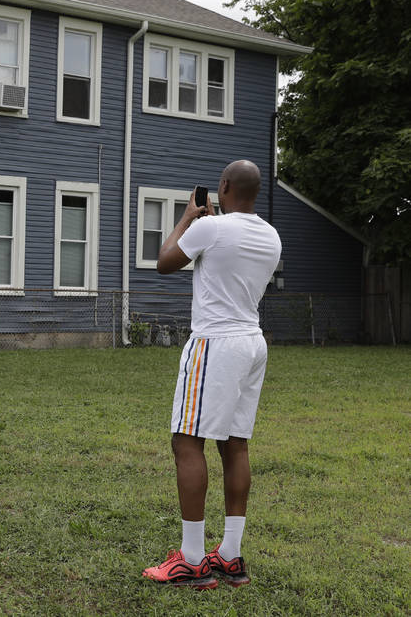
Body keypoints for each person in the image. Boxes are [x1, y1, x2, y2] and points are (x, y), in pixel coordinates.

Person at [142, 160, 282, 589]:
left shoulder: (210, 228)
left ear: (222, 187)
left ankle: (190, 560)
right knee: (235, 444)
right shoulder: (271, 235)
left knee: (186, 441)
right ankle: (231, 556)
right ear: (254, 192)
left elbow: (165, 261)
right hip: (252, 343)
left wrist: (187, 217)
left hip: (214, 344)